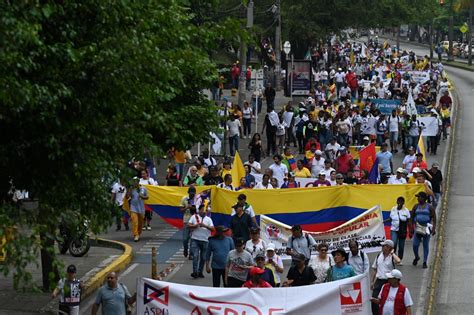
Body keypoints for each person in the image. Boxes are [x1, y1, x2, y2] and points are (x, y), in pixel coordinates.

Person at [371, 240, 401, 315]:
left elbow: (398, 261)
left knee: (387, 300)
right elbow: (375, 269)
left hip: (389, 281)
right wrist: (372, 282)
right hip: (379, 281)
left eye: (384, 246)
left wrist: (392, 253)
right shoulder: (379, 255)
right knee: (374, 299)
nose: (382, 247)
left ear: (388, 247)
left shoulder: (392, 257)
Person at [410, 191, 436, 269]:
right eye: (417, 197)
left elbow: (434, 218)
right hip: (418, 227)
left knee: (425, 245)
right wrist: (411, 227)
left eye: (419, 197)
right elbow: (411, 217)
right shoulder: (415, 206)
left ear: (424, 198)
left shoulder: (429, 207)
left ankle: (425, 261)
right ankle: (417, 256)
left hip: (426, 227)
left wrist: (434, 228)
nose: (418, 198)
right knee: (415, 245)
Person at [188, 204, 214, 279]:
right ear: (199, 210)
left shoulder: (209, 219)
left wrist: (205, 226)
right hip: (195, 239)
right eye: (202, 210)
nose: (203, 211)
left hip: (205, 240)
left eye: (205, 210)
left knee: (203, 257)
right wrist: (195, 225)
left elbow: (212, 229)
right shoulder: (194, 217)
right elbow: (189, 225)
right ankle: (195, 272)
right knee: (195, 256)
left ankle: (200, 271)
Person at [180, 185, 201, 258]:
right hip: (186, 220)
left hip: (195, 221)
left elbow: (200, 209)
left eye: (193, 193)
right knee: (185, 238)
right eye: (191, 193)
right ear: (188, 192)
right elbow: (181, 210)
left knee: (193, 238)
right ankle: (185, 249)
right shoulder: (184, 199)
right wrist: (187, 207)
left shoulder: (197, 199)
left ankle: (191, 254)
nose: (192, 194)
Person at [127, 177, 148, 242]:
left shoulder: (143, 188)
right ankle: (135, 235)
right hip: (133, 207)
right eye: (134, 181)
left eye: (136, 181)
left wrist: (142, 196)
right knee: (135, 222)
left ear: (138, 182)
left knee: (140, 223)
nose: (135, 182)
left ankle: (138, 233)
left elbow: (147, 197)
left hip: (141, 208)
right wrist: (130, 189)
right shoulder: (132, 189)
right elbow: (128, 196)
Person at [389, 197, 411, 263]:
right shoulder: (393, 209)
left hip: (402, 231)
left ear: (403, 203)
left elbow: (409, 220)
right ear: (397, 202)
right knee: (393, 243)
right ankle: (393, 257)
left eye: (401, 201)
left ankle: (399, 259)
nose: (400, 203)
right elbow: (390, 218)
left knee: (401, 246)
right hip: (394, 230)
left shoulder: (406, 210)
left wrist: (410, 230)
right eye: (399, 201)